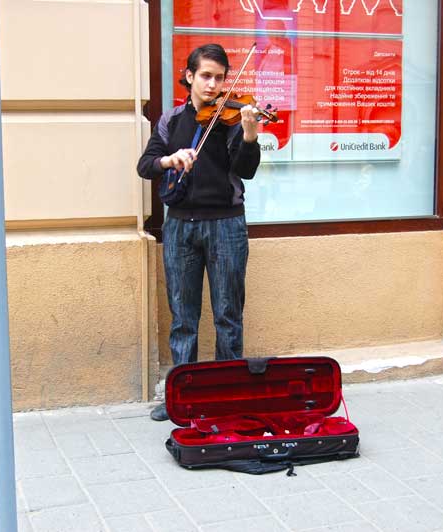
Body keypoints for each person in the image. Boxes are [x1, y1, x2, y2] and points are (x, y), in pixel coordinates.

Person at [136, 44, 261, 421]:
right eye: (206, 76)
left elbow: (247, 169)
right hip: (180, 226)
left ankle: (228, 395)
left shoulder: (235, 116)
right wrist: (169, 159)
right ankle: (182, 395)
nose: (213, 85)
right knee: (183, 316)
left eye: (220, 78)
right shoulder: (172, 120)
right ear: (189, 76)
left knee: (227, 313)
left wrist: (250, 133)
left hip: (226, 225)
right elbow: (145, 165)